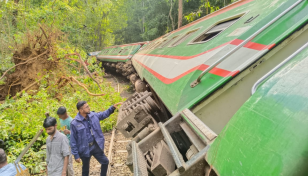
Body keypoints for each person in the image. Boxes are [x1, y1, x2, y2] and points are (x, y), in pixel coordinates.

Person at [70, 101, 122, 176]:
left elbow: (104, 114)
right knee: (85, 169)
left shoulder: (93, 115)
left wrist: (112, 108)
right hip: (84, 148)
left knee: (105, 162)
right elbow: (73, 140)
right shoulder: (74, 123)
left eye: (88, 106)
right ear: (81, 110)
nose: (89, 108)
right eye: (86, 107)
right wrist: (76, 155)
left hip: (95, 145)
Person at [57, 106, 74, 176]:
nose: (59, 118)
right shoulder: (61, 120)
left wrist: (69, 132)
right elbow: (62, 129)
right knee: (63, 161)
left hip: (69, 143)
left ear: (65, 114)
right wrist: (59, 132)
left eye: (60, 116)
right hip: (62, 142)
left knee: (69, 162)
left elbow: (77, 133)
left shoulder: (71, 121)